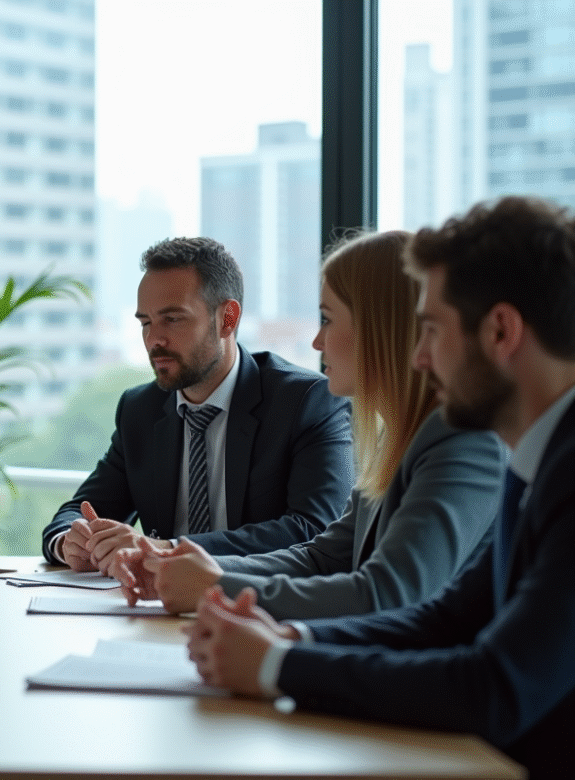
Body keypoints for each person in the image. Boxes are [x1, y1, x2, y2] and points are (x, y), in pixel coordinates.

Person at [187, 195, 575, 780]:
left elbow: (494, 686)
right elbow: (445, 618)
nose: (418, 356)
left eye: (432, 329)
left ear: (501, 331)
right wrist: (291, 636)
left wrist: (280, 666)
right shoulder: (540, 457)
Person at [109, 231, 505, 619]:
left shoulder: (462, 442)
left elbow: (387, 593)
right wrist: (182, 566)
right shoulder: (399, 440)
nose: (317, 342)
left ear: (381, 328)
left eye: (328, 319)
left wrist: (213, 588)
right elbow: (324, 556)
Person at [42, 236, 354, 574]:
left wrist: (169, 550)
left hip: (261, 611)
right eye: (146, 322)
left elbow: (313, 530)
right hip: (153, 613)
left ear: (227, 318)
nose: (154, 339)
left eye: (173, 319)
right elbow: (81, 510)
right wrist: (69, 542)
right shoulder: (140, 410)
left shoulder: (305, 402)